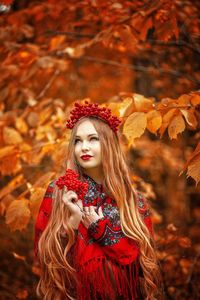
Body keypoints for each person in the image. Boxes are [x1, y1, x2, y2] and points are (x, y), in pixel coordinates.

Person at [34, 101, 162, 300]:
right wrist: (73, 221)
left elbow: (141, 265)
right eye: (77, 141)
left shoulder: (132, 201)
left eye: (93, 139)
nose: (83, 147)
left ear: (108, 144)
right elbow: (44, 258)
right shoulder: (60, 191)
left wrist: (100, 229)